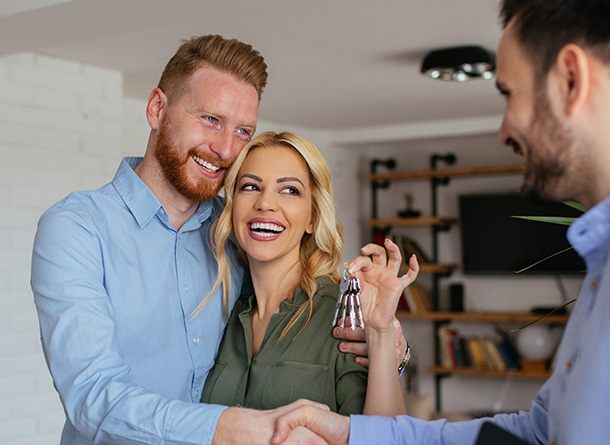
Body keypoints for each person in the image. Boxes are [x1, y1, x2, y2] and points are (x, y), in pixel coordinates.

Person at [271, 1, 610, 444]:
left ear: (571, 78)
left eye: (509, 94)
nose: (506, 129)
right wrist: (351, 433)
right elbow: (541, 432)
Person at [31, 35, 407, 444]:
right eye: (210, 119)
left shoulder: (233, 234)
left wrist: (388, 346)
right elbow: (92, 397)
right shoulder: (77, 228)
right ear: (157, 109)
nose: (224, 148)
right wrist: (231, 427)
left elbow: (303, 301)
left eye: (243, 130)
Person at [199, 131, 414, 416]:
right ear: (232, 205)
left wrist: (382, 337)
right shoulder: (222, 314)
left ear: (312, 217)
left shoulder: (344, 315)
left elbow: (386, 437)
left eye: (289, 190)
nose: (265, 203)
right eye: (250, 186)